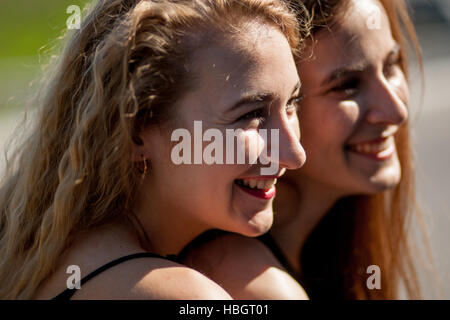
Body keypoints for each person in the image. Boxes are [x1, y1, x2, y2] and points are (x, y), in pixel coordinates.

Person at [0, 0, 309, 299]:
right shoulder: (185, 296)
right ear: (136, 134)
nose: (295, 155)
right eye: (250, 115)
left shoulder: (53, 249)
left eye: (292, 103)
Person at [182, 0, 425, 299]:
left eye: (391, 65)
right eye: (347, 85)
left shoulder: (331, 244)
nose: (396, 111)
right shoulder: (253, 285)